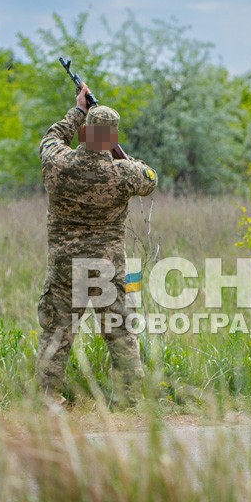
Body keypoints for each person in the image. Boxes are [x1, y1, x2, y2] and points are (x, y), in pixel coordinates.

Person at [36, 83, 158, 403]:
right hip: (107, 266)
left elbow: (51, 137)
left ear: (86, 132)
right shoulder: (124, 174)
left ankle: (48, 400)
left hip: (65, 265)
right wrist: (124, 157)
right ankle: (132, 398)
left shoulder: (58, 163)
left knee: (57, 333)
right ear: (112, 138)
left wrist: (77, 111)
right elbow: (150, 177)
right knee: (120, 332)